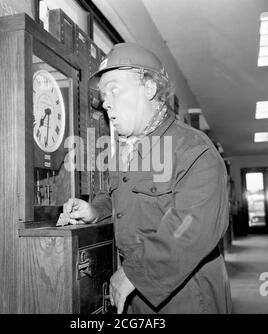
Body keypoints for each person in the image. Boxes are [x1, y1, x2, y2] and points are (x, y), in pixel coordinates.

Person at [63, 43, 232, 314]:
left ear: (150, 89)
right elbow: (120, 202)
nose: (106, 102)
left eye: (115, 90)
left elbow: (191, 226)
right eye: (103, 95)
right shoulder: (127, 150)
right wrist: (96, 212)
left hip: (188, 297)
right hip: (135, 297)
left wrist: (134, 274)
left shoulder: (191, 148)